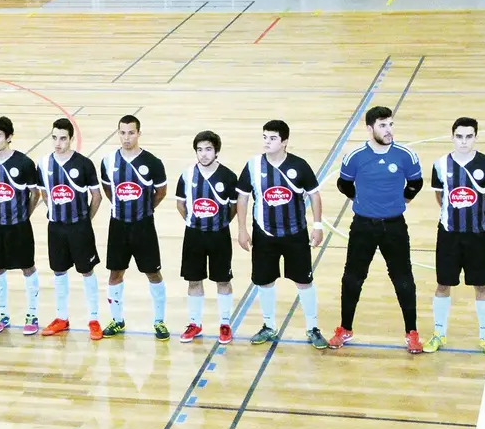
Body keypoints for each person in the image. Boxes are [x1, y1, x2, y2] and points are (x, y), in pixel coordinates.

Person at [332, 106, 424, 353]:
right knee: (352, 278)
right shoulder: (355, 157)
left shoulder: (406, 155)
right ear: (370, 128)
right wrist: (362, 200)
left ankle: (412, 332)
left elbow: (416, 183)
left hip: (394, 226)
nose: (389, 130)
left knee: (403, 279)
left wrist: (400, 202)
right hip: (362, 226)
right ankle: (345, 328)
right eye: (383, 125)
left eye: (391, 124)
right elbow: (344, 184)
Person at [236, 120, 328, 349]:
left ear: (285, 141)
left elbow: (315, 195)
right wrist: (242, 229)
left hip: (295, 234)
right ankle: (269, 325)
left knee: (304, 281)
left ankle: (312, 328)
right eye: (265, 137)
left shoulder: (299, 165)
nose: (267, 142)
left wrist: (317, 225)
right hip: (264, 234)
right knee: (264, 281)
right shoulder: (253, 165)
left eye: (273, 138)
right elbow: (243, 198)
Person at [424, 117, 485, 357]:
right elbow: (441, 198)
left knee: (482, 285)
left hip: (477, 236)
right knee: (443, 284)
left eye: (469, 136)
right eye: (459, 136)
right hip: (448, 235)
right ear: (452, 136)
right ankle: (438, 333)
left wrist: (477, 216)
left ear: (476, 137)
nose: (464, 141)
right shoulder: (439, 165)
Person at [99, 115, 169, 340]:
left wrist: (145, 209)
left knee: (153, 273)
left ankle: (159, 321)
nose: (126, 137)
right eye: (122, 133)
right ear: (118, 133)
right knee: (115, 273)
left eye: (131, 132)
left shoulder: (153, 162)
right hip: (118, 225)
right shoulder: (108, 161)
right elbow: (109, 190)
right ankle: (117, 320)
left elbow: (161, 192)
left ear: (139, 133)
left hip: (144, 226)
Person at [36, 118, 104, 340]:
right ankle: (61, 318)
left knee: (87, 271)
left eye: (63, 138)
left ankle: (94, 319)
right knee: (59, 271)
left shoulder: (84, 164)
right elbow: (45, 194)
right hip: (56, 228)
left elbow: (96, 196)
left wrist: (85, 219)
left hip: (80, 228)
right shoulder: (44, 163)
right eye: (54, 137)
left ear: (71, 139)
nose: (58, 142)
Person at [0, 117, 42, 335]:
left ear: (9, 137)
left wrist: (24, 215)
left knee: (27, 266)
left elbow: (35, 194)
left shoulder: (24, 163)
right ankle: (2, 313)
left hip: (19, 226)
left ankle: (32, 313)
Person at [175, 131, 238, 344]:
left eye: (208, 149)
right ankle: (195, 323)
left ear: (216, 151)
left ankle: (225, 323)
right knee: (194, 279)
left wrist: (220, 224)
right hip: (194, 234)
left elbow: (233, 207)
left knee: (223, 279)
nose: (203, 154)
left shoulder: (228, 177)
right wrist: (193, 222)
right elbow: (181, 204)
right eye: (200, 150)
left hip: (220, 234)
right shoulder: (187, 175)